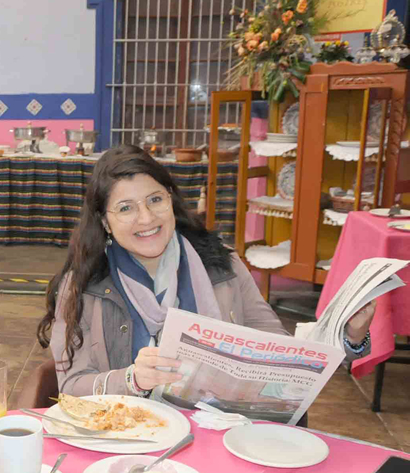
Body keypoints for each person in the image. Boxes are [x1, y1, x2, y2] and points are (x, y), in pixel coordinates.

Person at [37, 145, 375, 399]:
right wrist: (131, 380)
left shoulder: (221, 265)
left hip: (217, 433)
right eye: (126, 208)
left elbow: (279, 353)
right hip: (132, 442)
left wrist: (348, 336)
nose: (146, 218)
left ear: (171, 200)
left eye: (155, 200)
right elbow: (72, 388)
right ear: (104, 221)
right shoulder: (84, 286)